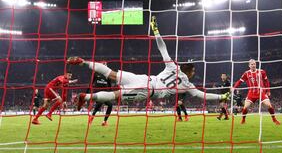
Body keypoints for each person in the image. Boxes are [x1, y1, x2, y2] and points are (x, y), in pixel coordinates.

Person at [68, 16, 230, 110]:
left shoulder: (173, 66)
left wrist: (156, 31)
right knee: (115, 96)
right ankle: (86, 96)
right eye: (193, 72)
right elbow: (203, 95)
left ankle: (84, 62)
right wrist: (221, 95)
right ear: (190, 71)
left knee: (111, 74)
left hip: (144, 78)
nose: (194, 74)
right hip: (146, 90)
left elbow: (162, 48)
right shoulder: (187, 85)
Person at [232, 59, 280, 125]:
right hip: (251, 93)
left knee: (269, 105)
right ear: (249, 65)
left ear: (256, 64)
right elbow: (239, 81)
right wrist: (234, 87)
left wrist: (268, 90)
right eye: (252, 64)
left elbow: (266, 81)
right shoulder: (246, 73)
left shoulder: (262, 72)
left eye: (254, 64)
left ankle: (274, 119)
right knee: (246, 107)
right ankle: (243, 120)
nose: (253, 65)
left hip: (261, 92)